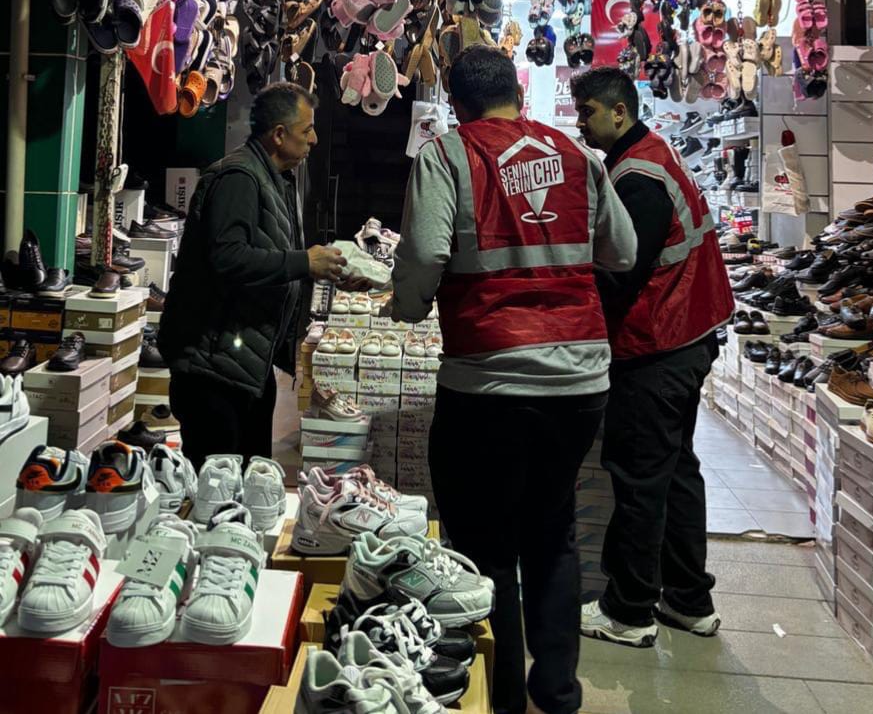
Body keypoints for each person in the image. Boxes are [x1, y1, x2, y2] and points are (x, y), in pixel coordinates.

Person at [390, 47, 637, 714]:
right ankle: (556, 694)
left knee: (484, 544)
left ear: (457, 105)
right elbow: (623, 251)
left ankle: (497, 698)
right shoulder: (578, 157)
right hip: (579, 381)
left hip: (487, 380)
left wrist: (407, 305)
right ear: (518, 95)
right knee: (552, 534)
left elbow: (425, 251)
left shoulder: (447, 155)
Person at [571, 67, 734, 647]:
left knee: (639, 474)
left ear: (619, 112)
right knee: (675, 470)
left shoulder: (637, 176)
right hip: (687, 337)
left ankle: (629, 610)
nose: (581, 122)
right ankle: (689, 600)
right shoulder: (650, 154)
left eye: (587, 112)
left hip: (659, 343)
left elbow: (622, 270)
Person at [158, 82, 348, 467]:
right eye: (307, 130)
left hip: (244, 363)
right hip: (213, 368)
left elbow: (270, 255)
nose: (313, 140)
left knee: (250, 480)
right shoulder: (239, 178)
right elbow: (228, 258)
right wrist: (303, 262)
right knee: (219, 486)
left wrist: (324, 269)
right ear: (279, 134)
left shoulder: (274, 179)